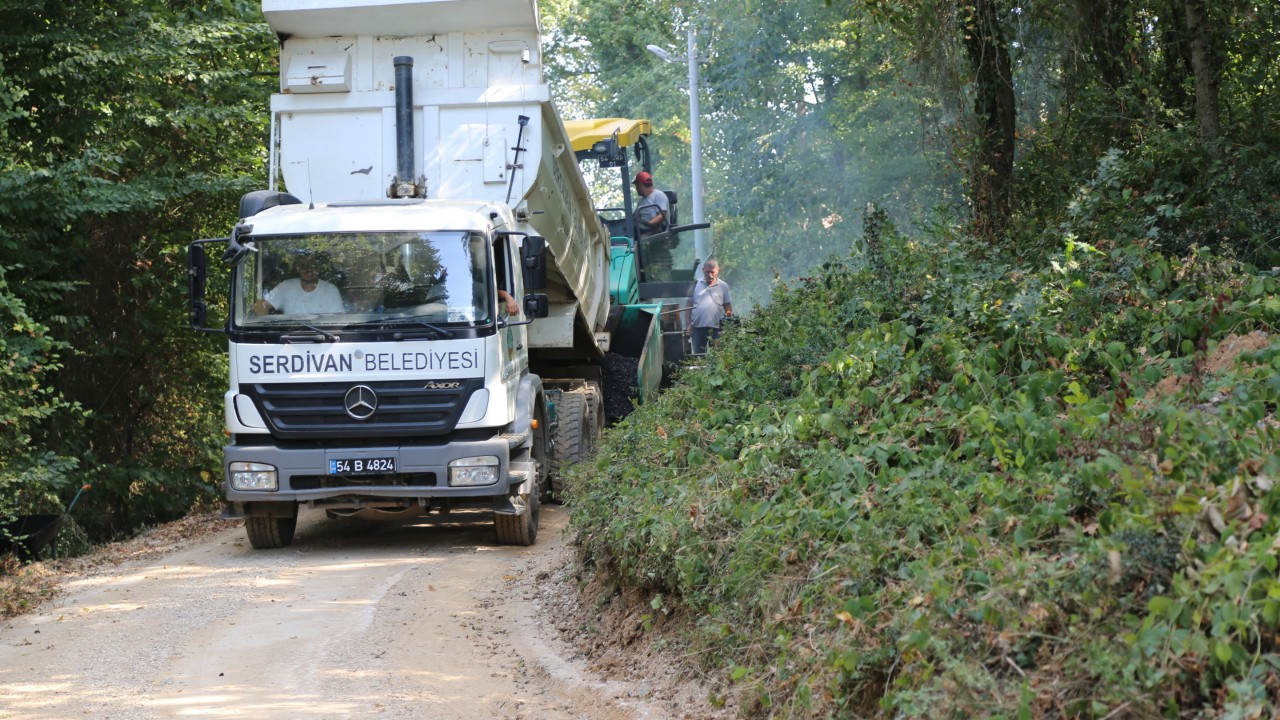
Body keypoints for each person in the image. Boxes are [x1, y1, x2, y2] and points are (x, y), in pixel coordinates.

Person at [254, 253, 345, 314]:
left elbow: (338, 319)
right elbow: (260, 306)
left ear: (318, 269)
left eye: (313, 266)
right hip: (288, 339)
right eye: (304, 266)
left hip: (323, 338)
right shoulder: (286, 286)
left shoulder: (330, 290)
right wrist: (268, 329)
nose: (309, 270)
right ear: (298, 269)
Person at [687, 258, 732, 354]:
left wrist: (727, 324)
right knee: (699, 355)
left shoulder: (723, 286)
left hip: (717, 328)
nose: (710, 275)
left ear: (718, 271)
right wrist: (688, 324)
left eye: (712, 272)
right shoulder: (695, 285)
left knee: (718, 355)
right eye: (707, 272)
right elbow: (688, 306)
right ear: (703, 270)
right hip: (698, 327)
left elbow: (728, 306)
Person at [632, 171, 669, 237]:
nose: (636, 189)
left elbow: (661, 216)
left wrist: (648, 224)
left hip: (655, 231)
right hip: (642, 229)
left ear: (640, 185)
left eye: (636, 186)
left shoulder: (659, 195)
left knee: (639, 241)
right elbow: (635, 216)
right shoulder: (641, 201)